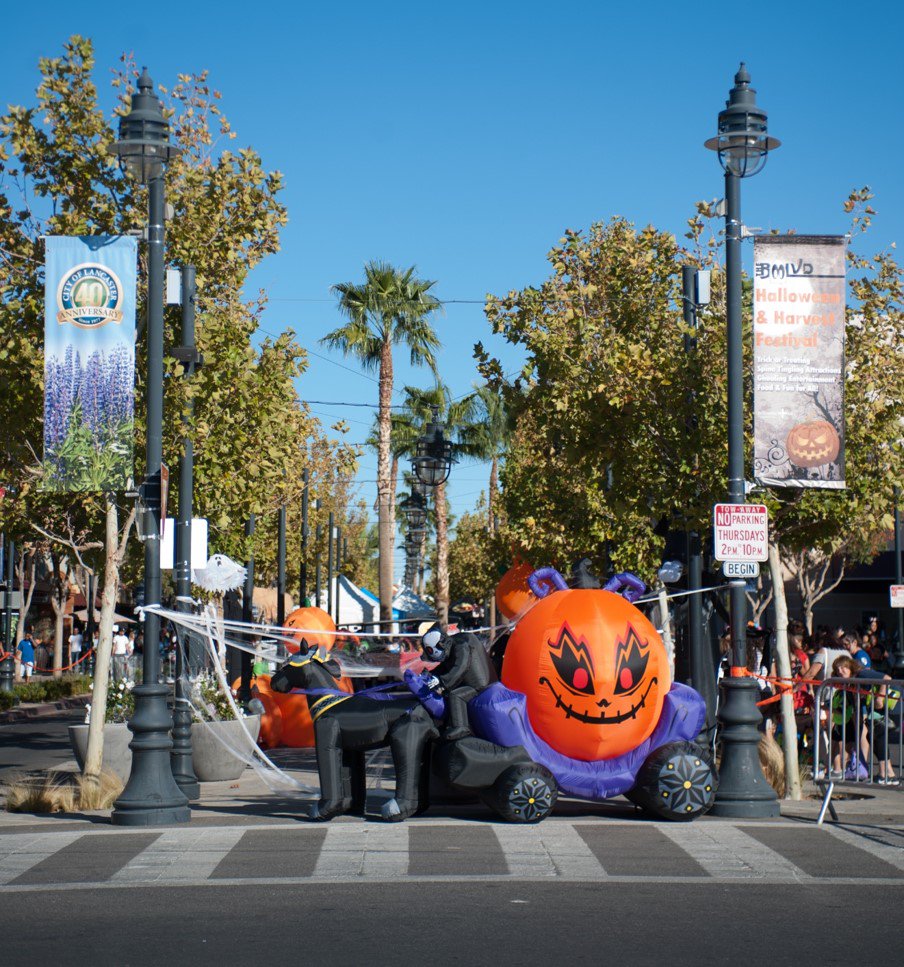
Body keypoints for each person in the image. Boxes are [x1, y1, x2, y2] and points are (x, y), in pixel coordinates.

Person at [421, 625, 498, 740]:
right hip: (475, 683)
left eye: (431, 651)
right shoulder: (453, 645)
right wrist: (432, 674)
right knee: (448, 694)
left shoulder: (461, 645)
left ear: (439, 644)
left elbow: (460, 667)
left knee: (456, 695)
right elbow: (447, 666)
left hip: (481, 686)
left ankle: (461, 727)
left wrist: (441, 681)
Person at [832, 655, 899, 785]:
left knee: (878, 737)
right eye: (838, 669)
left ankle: (887, 774)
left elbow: (886, 678)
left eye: (844, 667)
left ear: (850, 666)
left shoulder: (862, 674)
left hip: (891, 705)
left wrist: (880, 698)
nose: (841, 671)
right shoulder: (850, 683)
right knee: (874, 737)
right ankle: (887, 773)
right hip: (878, 710)